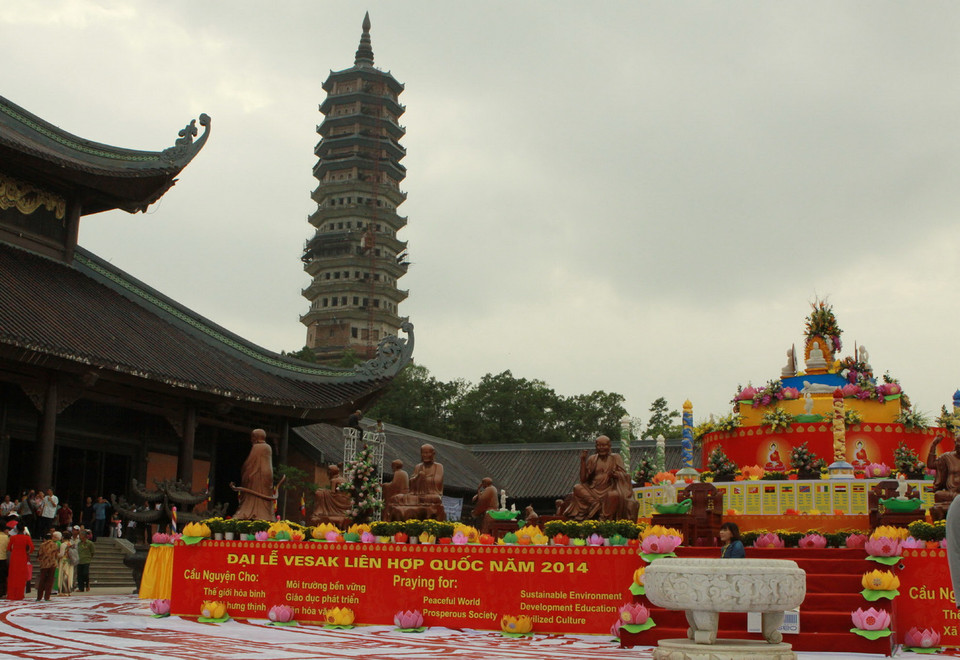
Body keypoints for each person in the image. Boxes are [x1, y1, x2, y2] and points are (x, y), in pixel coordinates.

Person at [562, 435, 639, 521]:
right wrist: (583, 460)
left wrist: (615, 474)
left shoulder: (615, 458)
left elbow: (626, 476)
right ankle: (594, 503)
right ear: (595, 447)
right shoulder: (592, 459)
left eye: (604, 445)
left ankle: (603, 518)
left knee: (614, 495)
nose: (601, 448)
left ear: (609, 446)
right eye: (598, 445)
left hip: (608, 489)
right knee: (577, 487)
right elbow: (583, 479)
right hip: (593, 489)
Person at [232, 429, 277, 520]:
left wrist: (244, 469)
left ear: (257, 437)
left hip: (257, 476)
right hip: (267, 477)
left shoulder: (258, 447)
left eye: (253, 436)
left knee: (253, 497)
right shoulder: (268, 447)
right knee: (262, 496)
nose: (251, 439)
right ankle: (266, 515)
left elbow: (250, 462)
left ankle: (252, 513)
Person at [927, 434, 960, 520]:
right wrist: (933, 445)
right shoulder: (947, 457)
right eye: (958, 443)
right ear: (955, 443)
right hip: (952, 493)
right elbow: (931, 464)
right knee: (938, 494)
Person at [6, 520, 34, 600]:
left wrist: (14, 551)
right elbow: (32, 548)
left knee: (13, 576)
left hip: (14, 557)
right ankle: (19, 595)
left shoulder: (13, 537)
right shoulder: (27, 538)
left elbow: (8, 548)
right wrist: (27, 552)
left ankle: (11, 594)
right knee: (21, 576)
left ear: (17, 529)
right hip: (23, 557)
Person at [35, 530, 58, 602]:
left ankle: (39, 597)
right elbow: (56, 555)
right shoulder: (55, 545)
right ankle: (47, 597)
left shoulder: (42, 545)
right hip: (53, 564)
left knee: (42, 581)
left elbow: (39, 555)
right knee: (50, 581)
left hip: (44, 564)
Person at [58, 529, 75, 596]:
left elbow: (61, 554)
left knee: (63, 576)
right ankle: (69, 590)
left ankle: (63, 591)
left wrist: (56, 554)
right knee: (69, 575)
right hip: (70, 561)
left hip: (64, 561)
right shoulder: (71, 544)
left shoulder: (63, 544)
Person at [0, 522, 9, 598]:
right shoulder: (6, 537)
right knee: (2, 577)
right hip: (3, 558)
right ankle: (2, 592)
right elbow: (8, 548)